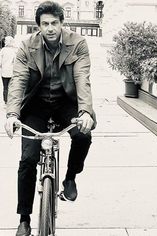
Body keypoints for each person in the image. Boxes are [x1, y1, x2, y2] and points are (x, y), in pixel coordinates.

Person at [4, 1, 96, 235]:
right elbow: (18, 82)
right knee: (27, 159)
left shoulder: (78, 43)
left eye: (55, 23)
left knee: (83, 135)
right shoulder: (27, 47)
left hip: (66, 103)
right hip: (36, 106)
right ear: (39, 27)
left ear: (62, 23)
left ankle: (70, 178)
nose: (50, 28)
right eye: (45, 24)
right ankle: (24, 219)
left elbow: (82, 79)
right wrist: (12, 114)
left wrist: (85, 111)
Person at [0, 36, 16, 104]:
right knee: (11, 87)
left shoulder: (3, 50)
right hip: (11, 71)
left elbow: (0, 62)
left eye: (6, 41)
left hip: (4, 72)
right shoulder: (13, 51)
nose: (5, 42)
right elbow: (15, 62)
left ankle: (5, 100)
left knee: (5, 87)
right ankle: (10, 100)